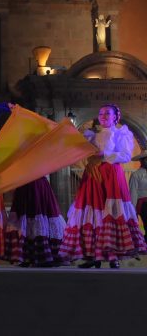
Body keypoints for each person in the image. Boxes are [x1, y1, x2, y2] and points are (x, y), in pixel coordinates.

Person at [59, 104, 147, 268]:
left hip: (110, 175)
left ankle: (114, 256)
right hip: (92, 175)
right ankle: (94, 256)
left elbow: (126, 155)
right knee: (92, 212)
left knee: (111, 211)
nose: (103, 116)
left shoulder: (120, 133)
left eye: (107, 113)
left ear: (115, 116)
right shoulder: (92, 134)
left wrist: (104, 154)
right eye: (101, 113)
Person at [3, 176, 66, 267]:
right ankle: (28, 257)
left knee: (36, 217)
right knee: (28, 220)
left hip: (36, 184)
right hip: (26, 184)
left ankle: (43, 256)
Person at [129, 150, 147, 242]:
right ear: (141, 161)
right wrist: (133, 210)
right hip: (144, 204)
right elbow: (133, 193)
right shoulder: (136, 175)